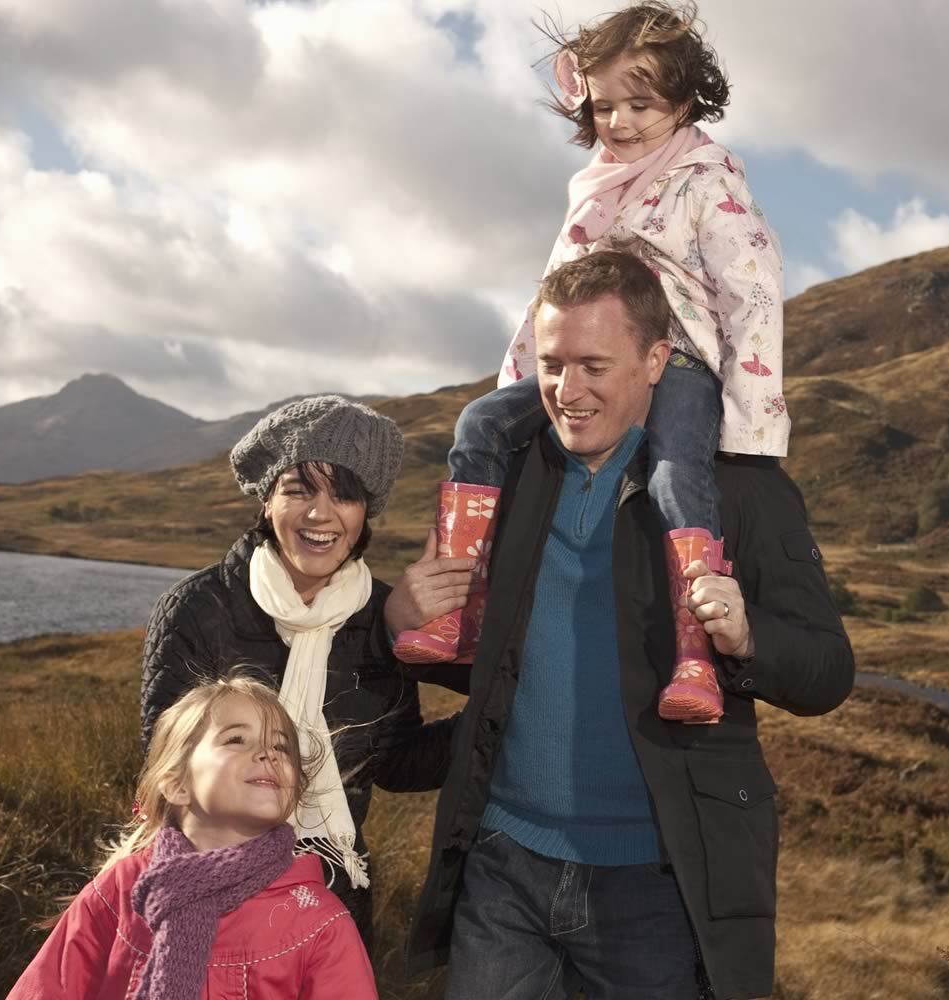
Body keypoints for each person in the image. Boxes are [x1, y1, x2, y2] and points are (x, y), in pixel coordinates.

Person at [402, 250, 854, 1000]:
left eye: (593, 366)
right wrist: (402, 616)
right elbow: (493, 659)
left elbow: (828, 671)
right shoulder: (504, 476)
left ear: (656, 359)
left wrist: (746, 640)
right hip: (503, 867)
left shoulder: (740, 493)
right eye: (550, 364)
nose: (565, 391)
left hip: (660, 888)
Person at [392, 1, 789, 730]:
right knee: (480, 421)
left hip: (682, 361)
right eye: (606, 105)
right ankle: (458, 611)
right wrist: (524, 383)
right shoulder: (592, 184)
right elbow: (555, 290)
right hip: (585, 361)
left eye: (643, 103)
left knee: (675, 473)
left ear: (683, 99)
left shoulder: (709, 184)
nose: (623, 121)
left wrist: (751, 422)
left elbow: (753, 296)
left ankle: (694, 653)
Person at [140, 394, 459, 948]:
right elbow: (168, 773)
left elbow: (395, 763)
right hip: (208, 902)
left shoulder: (381, 613)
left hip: (330, 904)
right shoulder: (198, 608)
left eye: (345, 495)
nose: (321, 513)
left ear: (366, 514)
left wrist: (502, 715)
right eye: (298, 489)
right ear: (266, 500)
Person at [8, 673, 377, 1000]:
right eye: (237, 739)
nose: (268, 754)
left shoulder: (316, 919)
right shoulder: (119, 890)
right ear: (177, 784)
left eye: (281, 746)